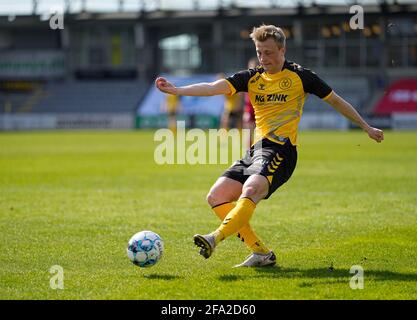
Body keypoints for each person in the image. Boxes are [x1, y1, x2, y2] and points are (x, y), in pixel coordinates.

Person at [155, 24, 384, 268]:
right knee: (216, 196)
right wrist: (177, 90)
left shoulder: (301, 76)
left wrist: (366, 127)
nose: (263, 58)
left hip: (283, 150)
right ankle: (261, 253)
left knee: (251, 189)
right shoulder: (252, 77)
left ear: (282, 50)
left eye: (269, 53)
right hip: (257, 150)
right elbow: (214, 88)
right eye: (260, 52)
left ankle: (214, 238)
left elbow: (336, 101)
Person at [242, 57, 258, 149]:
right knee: (248, 133)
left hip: (260, 110)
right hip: (249, 109)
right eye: (251, 67)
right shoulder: (246, 79)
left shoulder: (263, 79)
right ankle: (248, 152)